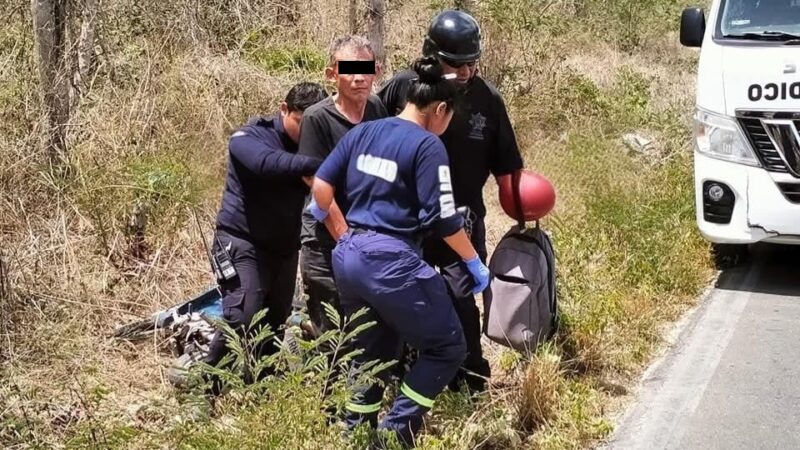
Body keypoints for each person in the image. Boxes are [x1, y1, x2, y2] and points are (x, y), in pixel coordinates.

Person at [308, 56, 491, 447]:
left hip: (350, 254)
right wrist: (473, 261)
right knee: (447, 346)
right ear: (439, 110)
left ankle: (355, 434)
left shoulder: (364, 132)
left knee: (373, 349)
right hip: (392, 260)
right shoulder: (427, 146)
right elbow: (444, 221)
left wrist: (341, 232)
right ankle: (394, 434)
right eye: (448, 119)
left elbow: (321, 188)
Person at [378, 9, 524, 393]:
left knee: (461, 296)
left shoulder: (487, 99)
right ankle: (398, 371)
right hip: (404, 217)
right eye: (455, 65)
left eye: (471, 65)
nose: (465, 73)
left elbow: (508, 166)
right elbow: (367, 136)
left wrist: (523, 214)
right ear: (430, 55)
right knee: (400, 296)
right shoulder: (402, 88)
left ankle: (469, 373)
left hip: (461, 216)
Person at [202, 82, 328, 394]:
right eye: (301, 122)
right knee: (241, 317)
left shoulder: (313, 146)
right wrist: (324, 162)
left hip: (284, 249)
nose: (305, 132)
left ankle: (260, 391)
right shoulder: (251, 136)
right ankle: (203, 391)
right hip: (241, 241)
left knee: (274, 324)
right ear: (284, 110)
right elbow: (266, 163)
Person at [297, 35, 388, 332]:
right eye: (349, 68)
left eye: (366, 68)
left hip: (367, 235)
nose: (359, 77)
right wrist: (348, 242)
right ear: (331, 74)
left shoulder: (376, 109)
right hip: (326, 240)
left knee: (369, 327)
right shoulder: (317, 118)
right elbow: (316, 183)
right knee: (334, 334)